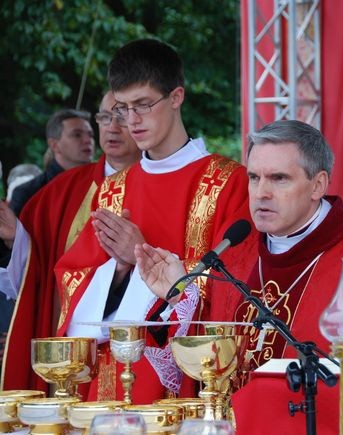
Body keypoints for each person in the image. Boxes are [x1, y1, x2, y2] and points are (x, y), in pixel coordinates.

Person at [136, 120, 343, 371]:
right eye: (255, 177)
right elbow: (213, 361)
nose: (261, 192)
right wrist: (180, 298)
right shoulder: (235, 255)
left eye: (279, 178)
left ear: (318, 185)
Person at [46, 39, 254, 403]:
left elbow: (238, 281)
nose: (131, 121)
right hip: (113, 377)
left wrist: (141, 254)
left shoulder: (227, 181)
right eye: (122, 108)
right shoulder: (113, 190)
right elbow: (72, 278)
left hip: (190, 376)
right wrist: (120, 270)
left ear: (176, 97)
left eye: (143, 105)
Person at [1, 91, 141, 392]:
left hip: (134, 360)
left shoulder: (165, 187)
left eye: (121, 117)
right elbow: (39, 279)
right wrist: (18, 239)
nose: (111, 127)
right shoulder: (58, 193)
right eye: (104, 117)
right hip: (65, 363)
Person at [9, 109, 95, 216]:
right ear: (54, 145)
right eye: (77, 135)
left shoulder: (103, 185)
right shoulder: (28, 194)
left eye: (90, 135)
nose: (88, 140)